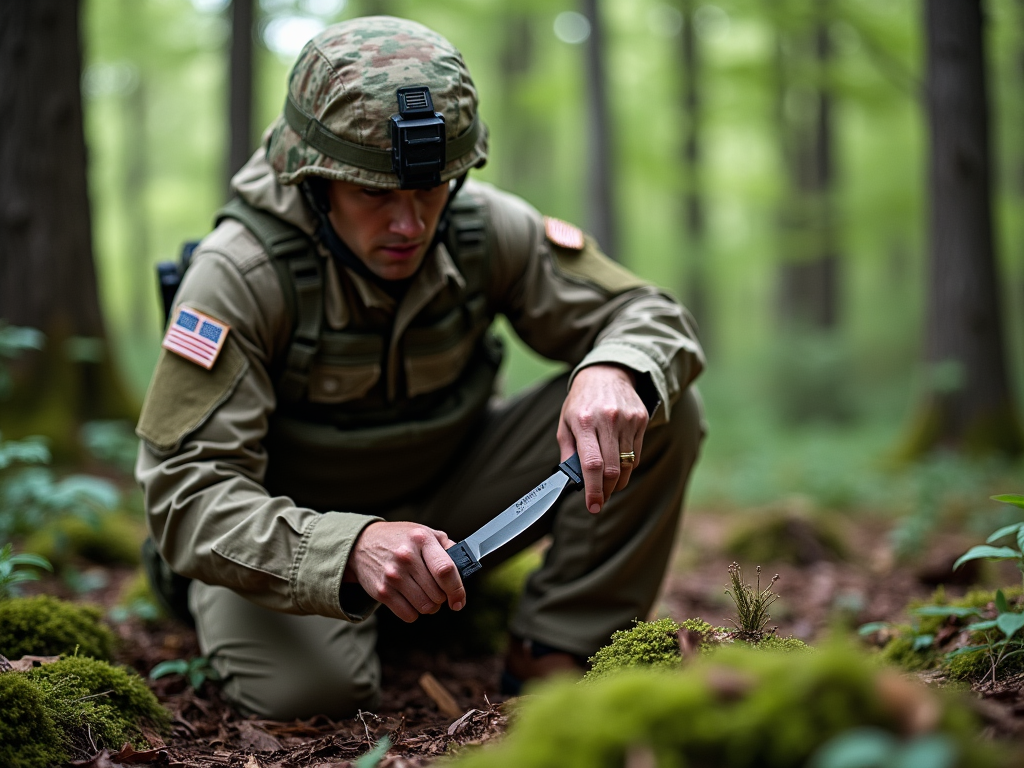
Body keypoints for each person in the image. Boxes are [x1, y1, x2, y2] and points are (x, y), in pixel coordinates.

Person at [136, 15, 705, 720]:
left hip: (444, 501)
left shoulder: (485, 229)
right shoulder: (239, 276)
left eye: (431, 188)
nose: (409, 225)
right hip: (290, 542)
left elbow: (650, 314)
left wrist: (614, 367)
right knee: (313, 694)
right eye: (374, 194)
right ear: (316, 181)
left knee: (653, 402)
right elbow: (186, 495)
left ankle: (553, 644)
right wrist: (348, 549)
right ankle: (349, 607)